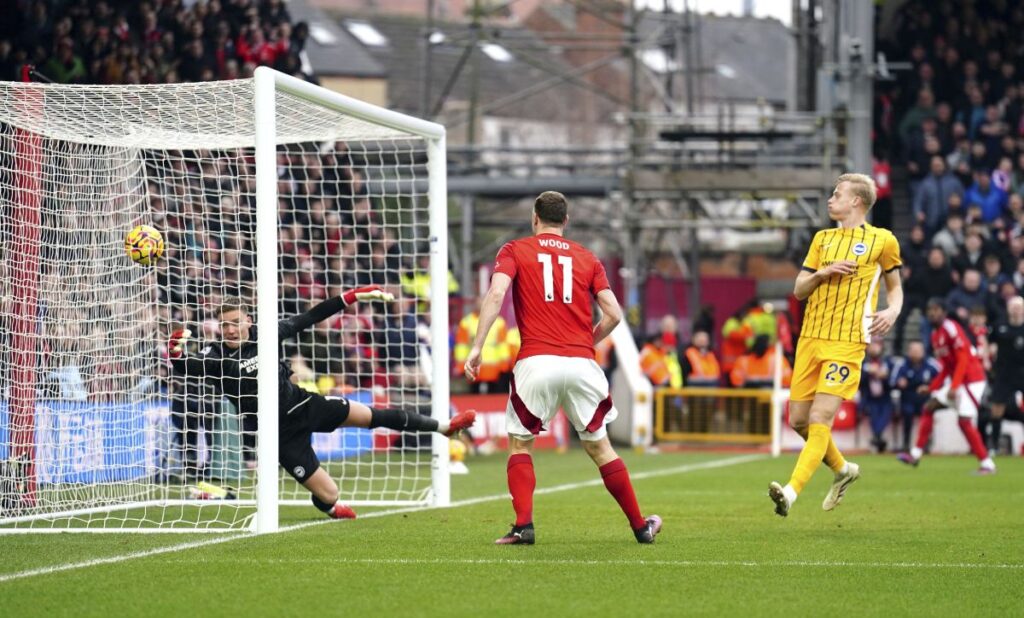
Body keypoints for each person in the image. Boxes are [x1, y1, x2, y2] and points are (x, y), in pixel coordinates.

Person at [168, 287, 476, 519]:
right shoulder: (216, 357)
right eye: (224, 325)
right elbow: (184, 365)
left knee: (372, 415)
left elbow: (313, 316)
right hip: (279, 435)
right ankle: (329, 508)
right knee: (330, 495)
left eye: (235, 322)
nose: (231, 330)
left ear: (248, 320)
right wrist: (175, 350)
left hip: (304, 405)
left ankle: (444, 427)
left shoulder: (269, 333)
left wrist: (353, 295)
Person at [464, 191, 661, 545]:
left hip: (537, 361)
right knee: (601, 448)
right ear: (565, 221)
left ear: (534, 218)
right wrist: (587, 341)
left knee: (521, 445)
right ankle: (639, 526)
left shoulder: (514, 250)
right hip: (583, 363)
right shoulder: (588, 258)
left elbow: (496, 294)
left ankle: (524, 526)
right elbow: (614, 314)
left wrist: (477, 347)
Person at [768, 173, 903, 517]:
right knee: (798, 420)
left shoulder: (882, 240)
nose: (830, 200)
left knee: (819, 418)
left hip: (847, 341)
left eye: (837, 194)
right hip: (811, 338)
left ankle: (791, 491)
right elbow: (799, 289)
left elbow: (895, 286)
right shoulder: (822, 239)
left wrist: (893, 309)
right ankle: (842, 470)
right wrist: (822, 274)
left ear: (856, 201)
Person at [897, 299, 995, 474]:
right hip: (959, 380)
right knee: (929, 407)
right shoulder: (935, 336)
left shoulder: (950, 328)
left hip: (972, 380)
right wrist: (932, 387)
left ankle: (987, 463)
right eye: (930, 310)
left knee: (964, 421)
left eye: (936, 310)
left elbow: (963, 359)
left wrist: (955, 386)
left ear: (944, 312)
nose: (933, 313)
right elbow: (946, 368)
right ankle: (915, 454)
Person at [983, 296, 1024, 453]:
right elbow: (986, 339)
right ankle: (993, 446)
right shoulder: (1000, 325)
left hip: (1022, 372)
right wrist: (987, 358)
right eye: (1013, 306)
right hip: (1004, 373)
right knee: (997, 409)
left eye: (1019, 307)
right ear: (1008, 309)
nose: (1016, 309)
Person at [890, 340, 942, 452]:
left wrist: (931, 386)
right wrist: (899, 382)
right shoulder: (902, 364)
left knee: (927, 416)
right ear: (909, 352)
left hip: (925, 398)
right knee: (907, 414)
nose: (916, 353)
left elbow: (942, 378)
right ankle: (906, 443)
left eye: (918, 350)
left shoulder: (931, 364)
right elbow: (892, 381)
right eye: (913, 350)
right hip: (908, 398)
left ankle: (926, 444)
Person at [859, 341, 894, 452]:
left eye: (876, 346)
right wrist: (869, 373)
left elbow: (893, 382)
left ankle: (876, 438)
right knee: (873, 417)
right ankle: (878, 439)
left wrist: (884, 377)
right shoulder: (862, 362)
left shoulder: (888, 362)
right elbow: (858, 381)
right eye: (871, 346)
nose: (874, 349)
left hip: (885, 398)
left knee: (885, 416)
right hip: (869, 398)